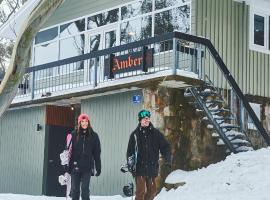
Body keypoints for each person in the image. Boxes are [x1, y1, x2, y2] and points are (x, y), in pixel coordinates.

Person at [126, 109, 171, 200]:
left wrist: (168, 158)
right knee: (140, 192)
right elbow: (130, 152)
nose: (147, 120)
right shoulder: (135, 135)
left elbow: (165, 147)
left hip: (152, 167)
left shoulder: (156, 134)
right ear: (140, 120)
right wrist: (130, 163)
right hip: (139, 168)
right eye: (144, 119)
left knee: (152, 191)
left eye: (148, 118)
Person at [69, 113, 101, 200]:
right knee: (75, 189)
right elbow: (68, 151)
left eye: (86, 121)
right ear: (79, 123)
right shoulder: (73, 135)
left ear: (89, 122)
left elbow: (97, 153)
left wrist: (98, 167)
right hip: (75, 166)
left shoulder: (94, 136)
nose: (84, 123)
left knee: (85, 189)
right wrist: (67, 166)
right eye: (82, 121)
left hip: (87, 167)